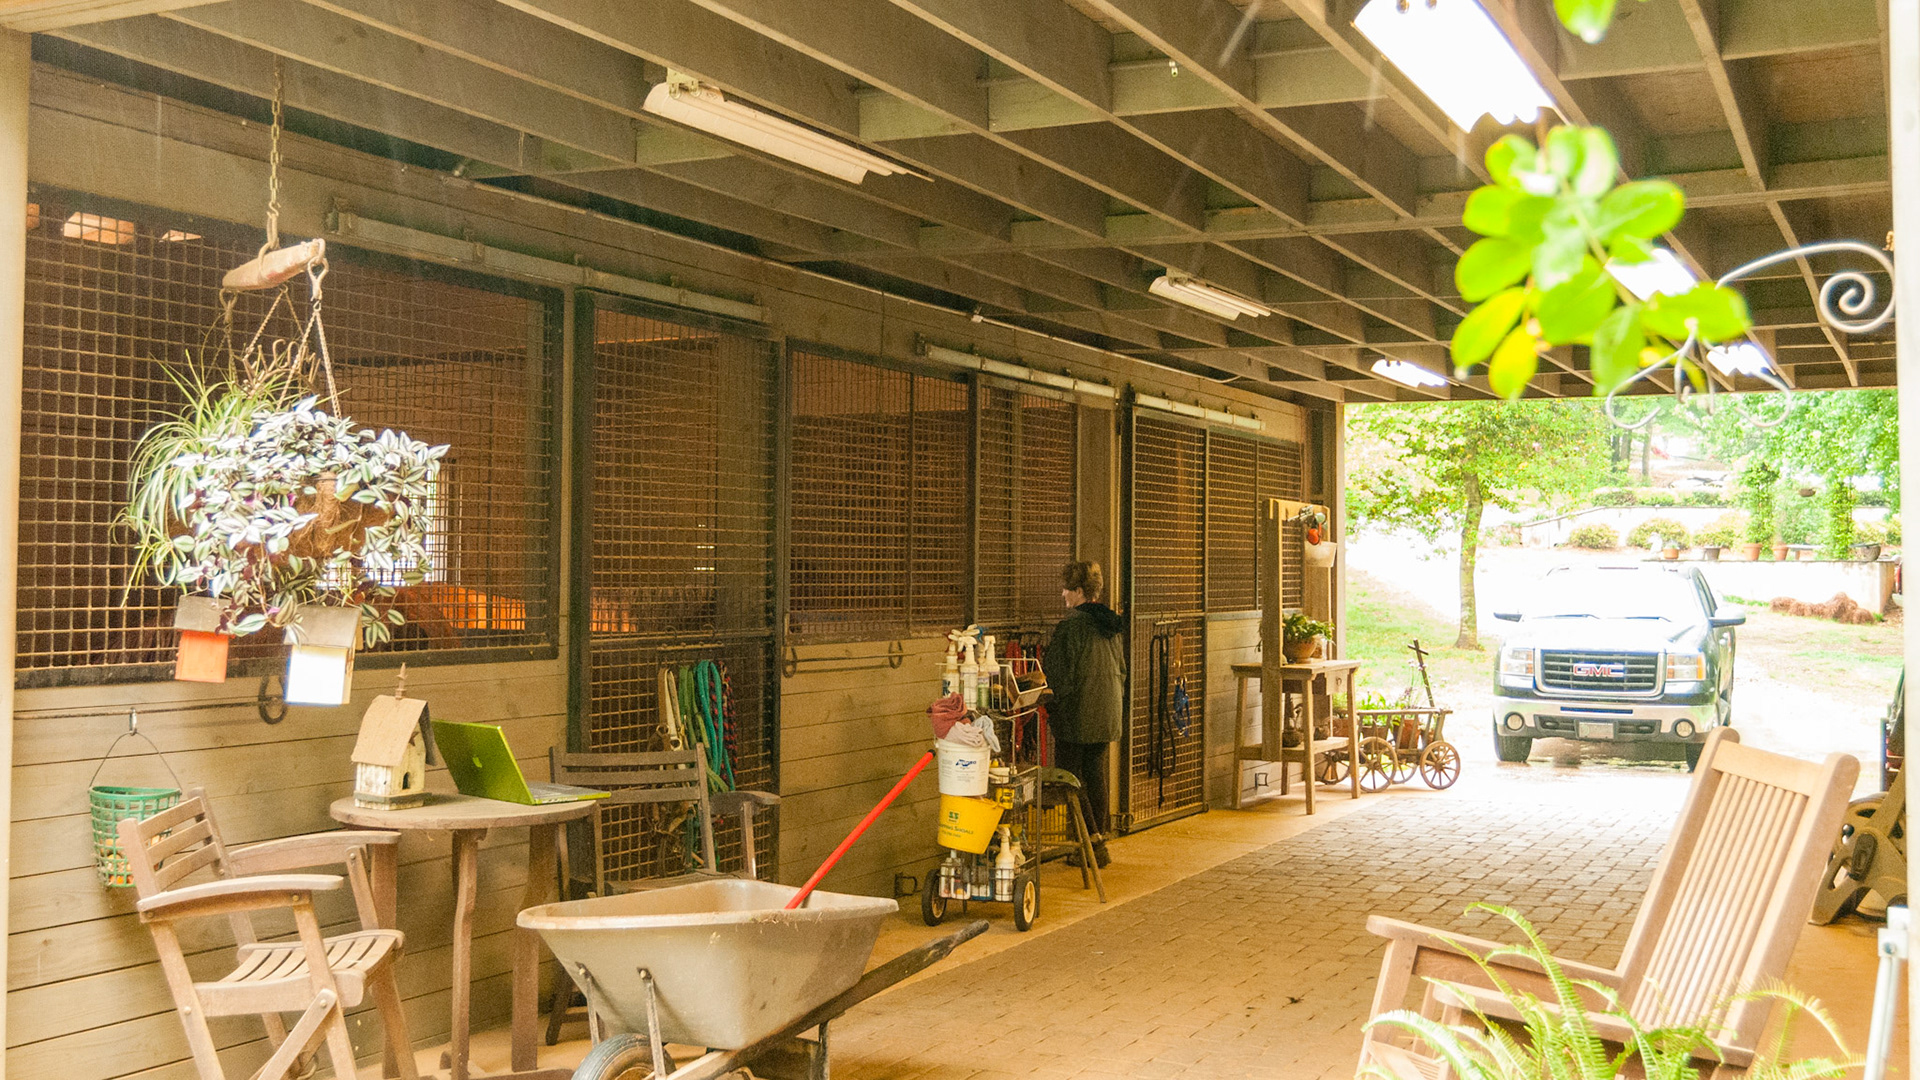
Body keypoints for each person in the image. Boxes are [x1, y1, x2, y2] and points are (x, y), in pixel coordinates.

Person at [1042, 560, 1125, 868]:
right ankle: (1098, 839)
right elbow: (1122, 670)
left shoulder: (1072, 626)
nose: (1062, 594)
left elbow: (1061, 678)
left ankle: (1091, 845)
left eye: (1066, 588)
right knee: (1095, 774)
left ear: (1078, 591)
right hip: (1107, 710)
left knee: (1071, 779)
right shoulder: (1109, 625)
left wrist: (1048, 704)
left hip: (1079, 714)